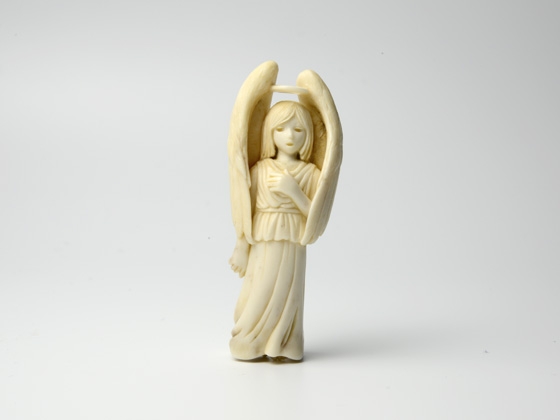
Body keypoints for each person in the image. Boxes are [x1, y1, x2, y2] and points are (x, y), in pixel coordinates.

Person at [229, 101, 321, 361]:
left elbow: (316, 216)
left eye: (298, 130)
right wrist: (241, 248)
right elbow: (246, 212)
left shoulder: (312, 174)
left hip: (293, 241)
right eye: (281, 128)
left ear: (308, 135)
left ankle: (286, 342)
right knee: (259, 289)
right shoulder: (259, 171)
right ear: (270, 132)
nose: (290, 136)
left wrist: (294, 192)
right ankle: (250, 339)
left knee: (288, 293)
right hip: (264, 238)